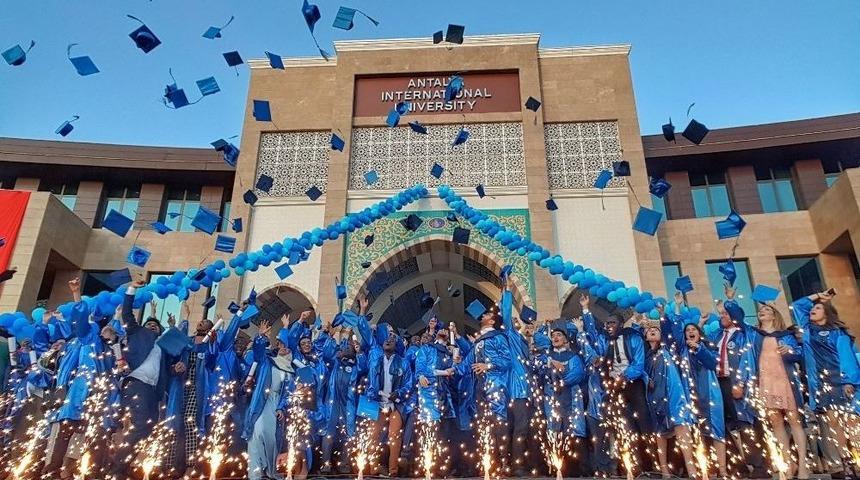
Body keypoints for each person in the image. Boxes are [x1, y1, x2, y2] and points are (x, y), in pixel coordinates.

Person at [733, 294, 808, 479]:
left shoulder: (787, 335)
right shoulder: (754, 334)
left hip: (785, 380)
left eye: (767, 310)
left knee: (794, 422)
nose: (762, 311)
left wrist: (790, 351)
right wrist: (731, 300)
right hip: (766, 382)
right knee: (776, 424)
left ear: (774, 315)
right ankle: (788, 463)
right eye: (761, 310)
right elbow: (737, 317)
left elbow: (799, 354)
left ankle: (804, 464)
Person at [581, 294, 654, 477]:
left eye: (612, 323)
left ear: (620, 324)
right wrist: (586, 309)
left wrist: (625, 376)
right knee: (621, 425)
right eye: (607, 324)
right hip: (613, 387)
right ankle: (628, 466)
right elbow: (592, 333)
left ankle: (651, 463)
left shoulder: (632, 338)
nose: (609, 326)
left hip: (632, 383)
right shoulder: (605, 341)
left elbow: (638, 363)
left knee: (643, 421)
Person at [792, 290, 859, 479]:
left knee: (849, 423)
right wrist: (818, 296)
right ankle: (843, 462)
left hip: (840, 381)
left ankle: (853, 460)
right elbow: (798, 305)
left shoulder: (838, 333)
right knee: (832, 424)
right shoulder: (808, 329)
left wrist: (848, 381)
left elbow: (846, 357)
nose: (813, 309)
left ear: (827, 313)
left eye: (818, 308)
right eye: (813, 308)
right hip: (820, 383)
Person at [704, 286, 768, 478]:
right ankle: (738, 466)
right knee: (724, 424)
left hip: (737, 384)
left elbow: (745, 362)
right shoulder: (716, 336)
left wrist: (740, 383)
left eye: (725, 313)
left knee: (746, 423)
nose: (721, 315)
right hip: (718, 384)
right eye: (721, 313)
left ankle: (758, 466)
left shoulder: (743, 333)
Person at [111, 278, 169, 479]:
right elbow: (127, 314)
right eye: (149, 324)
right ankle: (116, 469)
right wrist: (131, 289)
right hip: (137, 384)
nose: (152, 326)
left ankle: (123, 465)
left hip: (153, 392)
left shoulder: (163, 348)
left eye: (155, 325)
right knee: (141, 425)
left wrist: (179, 367)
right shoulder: (137, 333)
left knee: (148, 427)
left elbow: (169, 370)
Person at [667, 296, 729, 478]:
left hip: (709, 392)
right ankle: (699, 470)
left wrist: (699, 348)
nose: (690, 332)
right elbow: (675, 328)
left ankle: (723, 469)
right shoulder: (682, 349)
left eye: (693, 329)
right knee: (694, 431)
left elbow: (712, 363)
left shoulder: (707, 345)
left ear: (699, 332)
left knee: (716, 429)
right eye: (688, 330)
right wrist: (677, 307)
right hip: (689, 394)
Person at [454, 301, 512, 478]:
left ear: (492, 321)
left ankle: (504, 462)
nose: (483, 316)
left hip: (495, 383)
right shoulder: (478, 341)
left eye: (486, 314)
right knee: (484, 423)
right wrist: (451, 369)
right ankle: (489, 462)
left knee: (499, 421)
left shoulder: (498, 337)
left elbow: (507, 360)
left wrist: (488, 365)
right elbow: (466, 364)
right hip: (479, 387)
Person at [641, 314, 698, 479]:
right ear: (645, 336)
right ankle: (664, 470)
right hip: (655, 395)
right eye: (649, 330)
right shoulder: (646, 356)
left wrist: (663, 315)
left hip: (674, 393)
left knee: (681, 426)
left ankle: (691, 467)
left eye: (655, 330)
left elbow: (670, 331)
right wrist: (646, 378)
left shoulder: (668, 349)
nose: (653, 331)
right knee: (660, 432)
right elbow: (640, 370)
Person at [534, 320, 588, 477]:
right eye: (553, 335)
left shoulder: (573, 356)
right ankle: (556, 467)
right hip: (551, 396)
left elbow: (578, 373)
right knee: (553, 429)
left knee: (574, 428)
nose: (555, 337)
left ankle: (578, 468)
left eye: (559, 335)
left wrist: (563, 381)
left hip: (570, 395)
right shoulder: (546, 357)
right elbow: (538, 368)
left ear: (565, 339)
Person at [243, 320, 294, 480]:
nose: (283, 348)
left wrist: (281, 407)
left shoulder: (291, 370)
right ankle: (255, 472)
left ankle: (270, 469)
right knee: (256, 433)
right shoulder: (268, 361)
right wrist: (260, 337)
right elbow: (257, 354)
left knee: (271, 436)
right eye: (281, 344)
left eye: (286, 345)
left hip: (276, 402)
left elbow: (288, 392)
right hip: (261, 400)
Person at [368, 326, 411, 477]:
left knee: (394, 437)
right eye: (387, 337)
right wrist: (373, 393)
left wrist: (398, 393)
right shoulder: (376, 361)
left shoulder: (403, 362)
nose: (389, 339)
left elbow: (408, 384)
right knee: (373, 436)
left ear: (396, 344)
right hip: (378, 405)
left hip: (395, 405)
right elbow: (371, 383)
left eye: (392, 338)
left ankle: (393, 471)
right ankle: (373, 468)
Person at [415, 327, 457, 476]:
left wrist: (455, 363)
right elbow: (421, 368)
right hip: (430, 396)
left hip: (445, 397)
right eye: (442, 330)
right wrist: (420, 375)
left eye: (446, 330)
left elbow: (454, 370)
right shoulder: (426, 349)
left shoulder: (450, 352)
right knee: (431, 432)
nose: (444, 331)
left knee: (445, 435)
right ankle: (429, 467)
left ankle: (443, 467)